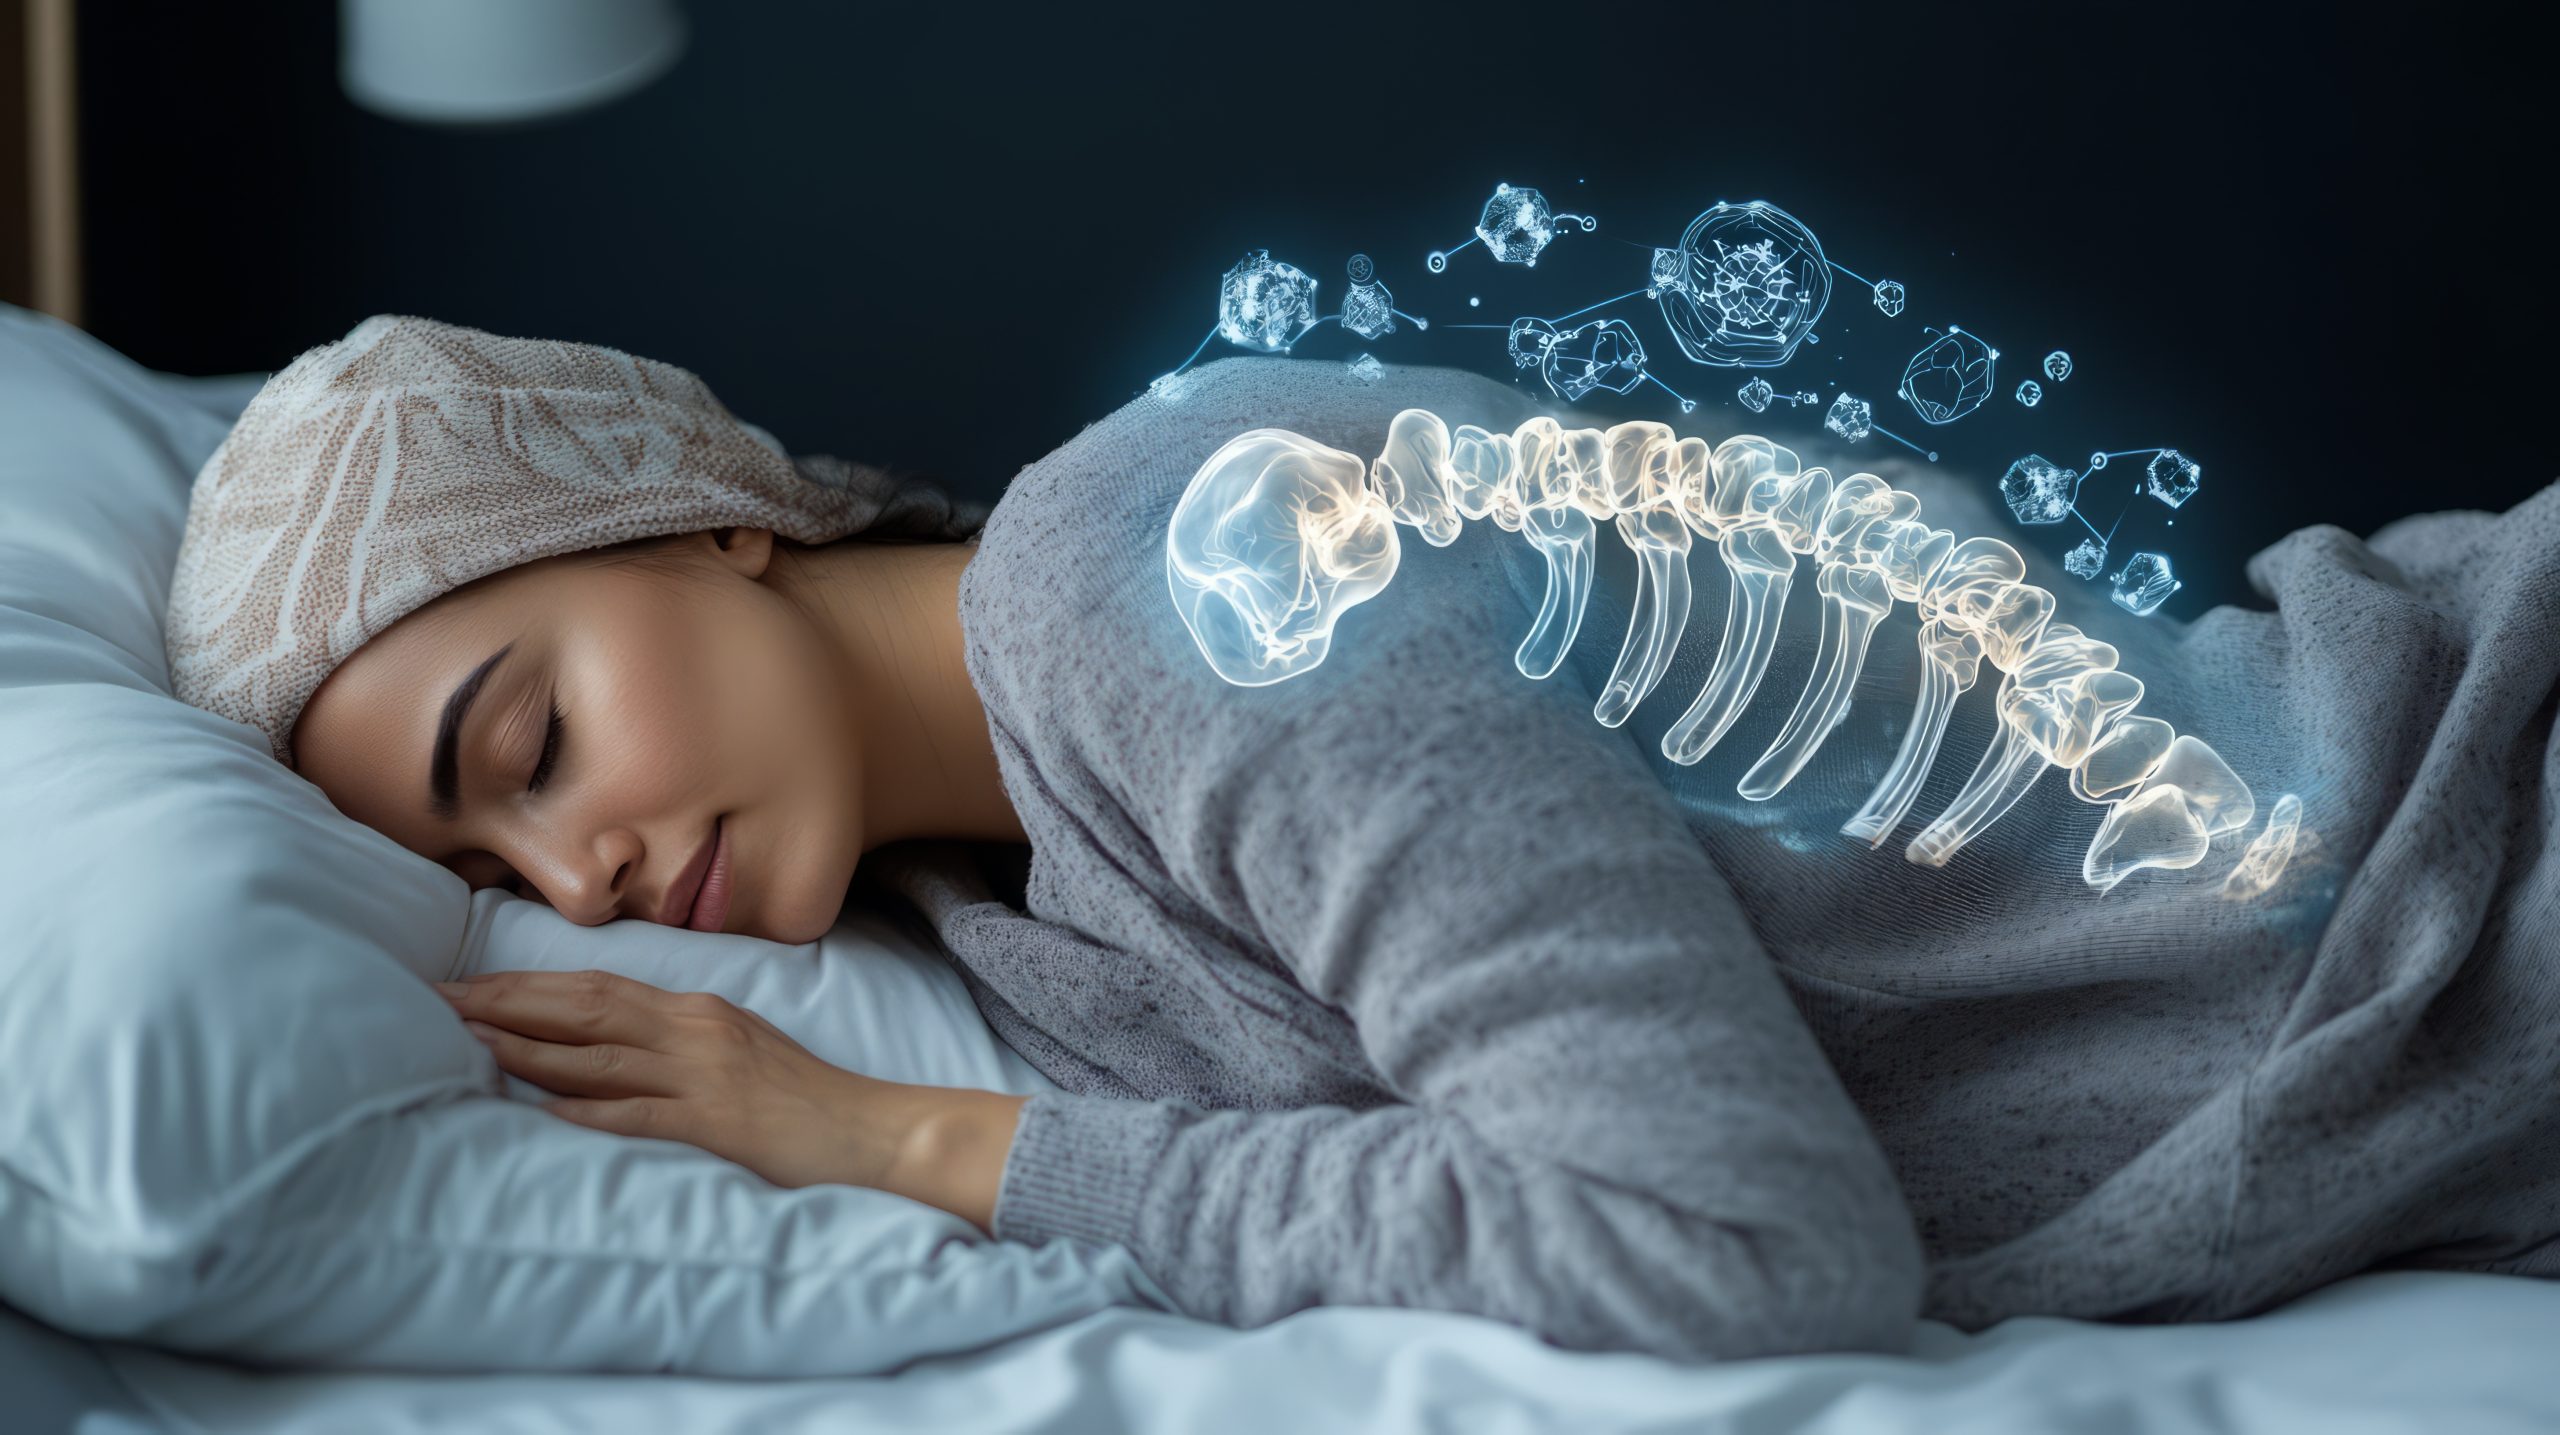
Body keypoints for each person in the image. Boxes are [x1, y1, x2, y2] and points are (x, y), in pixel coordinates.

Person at [164, 315, 2560, 1365]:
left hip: (2480, 852)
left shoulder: (1161, 583)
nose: (571, 869)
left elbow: (1741, 1247)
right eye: (490, 860)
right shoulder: (993, 890)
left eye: (530, 734)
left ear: (697, 525)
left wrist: (921, 1142)